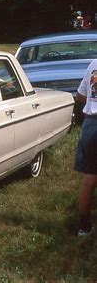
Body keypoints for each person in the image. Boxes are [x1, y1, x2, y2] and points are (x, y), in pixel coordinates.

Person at [74, 59, 97, 236]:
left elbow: (80, 96)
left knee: (89, 179)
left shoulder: (93, 65)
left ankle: (84, 226)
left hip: (91, 124)